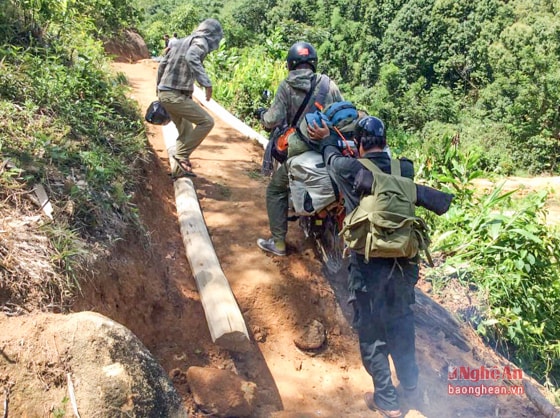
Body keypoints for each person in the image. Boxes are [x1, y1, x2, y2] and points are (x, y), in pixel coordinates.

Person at [308, 115, 419, 418]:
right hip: (405, 265)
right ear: (386, 142)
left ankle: (387, 400)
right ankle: (411, 388)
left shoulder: (349, 168)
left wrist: (329, 136)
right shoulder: (405, 168)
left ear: (358, 144)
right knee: (402, 324)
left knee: (372, 332)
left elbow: (330, 157)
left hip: (369, 265)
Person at [255, 41, 343, 256]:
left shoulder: (287, 86)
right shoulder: (328, 85)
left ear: (291, 64)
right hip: (329, 149)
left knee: (275, 189)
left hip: (299, 151)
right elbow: (341, 114)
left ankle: (278, 244)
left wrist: (262, 117)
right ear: (313, 63)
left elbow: (273, 119)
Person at [157, 20, 223, 178]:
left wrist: (158, 91)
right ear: (212, 36)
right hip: (175, 95)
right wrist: (206, 84)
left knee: (186, 132)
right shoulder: (201, 42)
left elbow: (161, 66)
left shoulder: (179, 42)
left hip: (166, 93)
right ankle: (181, 156)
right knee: (207, 121)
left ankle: (178, 175)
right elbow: (192, 57)